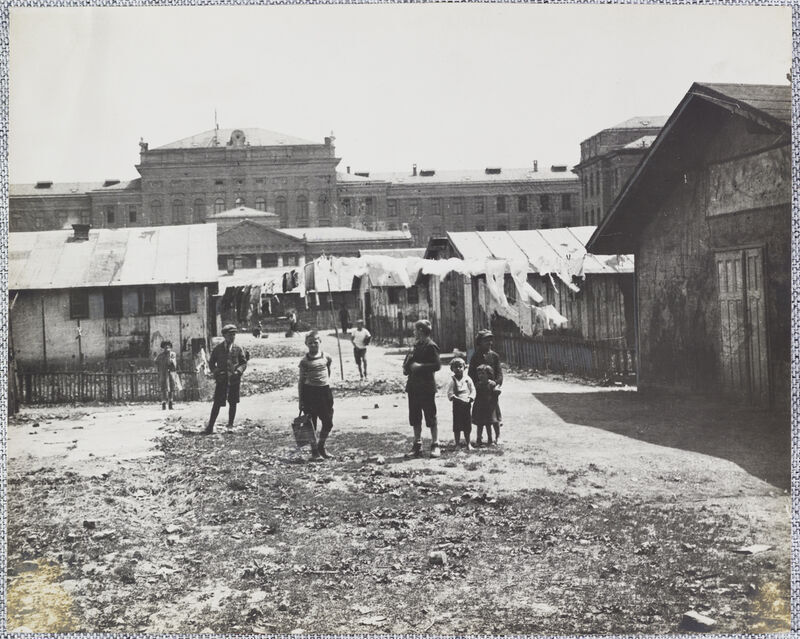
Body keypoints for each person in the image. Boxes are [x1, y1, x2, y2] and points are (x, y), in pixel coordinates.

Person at [403, 319, 442, 459]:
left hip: (426, 386)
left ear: (420, 330)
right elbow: (409, 365)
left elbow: (437, 365)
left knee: (430, 415)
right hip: (413, 386)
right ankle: (417, 444)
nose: (414, 332)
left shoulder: (431, 346)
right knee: (415, 416)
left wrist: (420, 367)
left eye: (415, 330)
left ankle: (435, 444)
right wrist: (407, 365)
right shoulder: (416, 345)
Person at [298, 330, 336, 461]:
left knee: (328, 422)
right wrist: (301, 400)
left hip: (325, 392)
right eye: (310, 343)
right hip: (310, 393)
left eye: (315, 342)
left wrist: (325, 385)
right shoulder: (304, 361)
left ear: (320, 342)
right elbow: (301, 382)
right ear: (306, 344)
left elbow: (328, 371)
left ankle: (321, 446)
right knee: (311, 424)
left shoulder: (327, 357)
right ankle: (314, 451)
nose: (313, 345)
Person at [203, 325, 248, 434]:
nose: (232, 337)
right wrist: (216, 372)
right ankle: (210, 426)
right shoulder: (218, 349)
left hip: (234, 379)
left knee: (233, 402)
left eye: (234, 334)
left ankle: (230, 425)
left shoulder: (238, 348)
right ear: (224, 335)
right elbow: (211, 363)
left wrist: (238, 371)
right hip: (222, 380)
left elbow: (243, 363)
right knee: (217, 403)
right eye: (230, 335)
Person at [468, 329, 504, 442]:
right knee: (481, 414)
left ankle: (497, 436)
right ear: (479, 342)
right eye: (486, 340)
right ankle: (480, 437)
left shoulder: (494, 356)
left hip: (491, 391)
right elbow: (471, 374)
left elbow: (499, 373)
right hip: (480, 391)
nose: (489, 343)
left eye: (490, 340)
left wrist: (496, 383)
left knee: (494, 414)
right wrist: (475, 385)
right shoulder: (475, 357)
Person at [447, 357, 475, 450]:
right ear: (452, 369)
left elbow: (473, 390)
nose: (458, 369)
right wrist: (455, 398)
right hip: (457, 405)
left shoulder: (468, 379)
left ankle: (468, 443)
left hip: (466, 404)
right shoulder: (453, 380)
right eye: (455, 367)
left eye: (460, 366)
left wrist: (470, 398)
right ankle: (457, 444)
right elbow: (450, 393)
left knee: (467, 424)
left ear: (464, 367)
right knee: (457, 424)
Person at [472, 364, 501, 446]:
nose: (480, 375)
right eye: (479, 374)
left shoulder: (492, 384)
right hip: (480, 407)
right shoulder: (477, 385)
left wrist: (497, 392)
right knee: (480, 424)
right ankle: (478, 439)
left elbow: (495, 395)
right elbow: (475, 395)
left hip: (490, 407)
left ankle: (490, 439)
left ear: (488, 374)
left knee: (489, 423)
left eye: (483, 373)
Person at [154, 340, 182, 410]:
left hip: (171, 373)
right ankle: (163, 403)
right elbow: (156, 362)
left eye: (168, 346)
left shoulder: (172, 354)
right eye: (165, 346)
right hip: (163, 373)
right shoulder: (160, 355)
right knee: (163, 389)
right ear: (163, 347)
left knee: (171, 389)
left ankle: (170, 403)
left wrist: (170, 359)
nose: (167, 347)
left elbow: (173, 364)